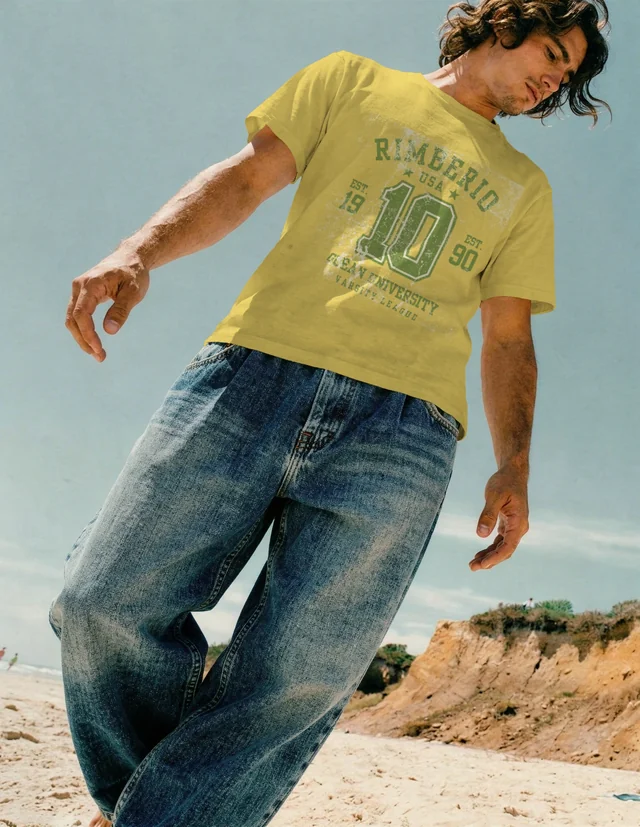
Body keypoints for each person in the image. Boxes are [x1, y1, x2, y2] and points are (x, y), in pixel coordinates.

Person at [48, 2, 610, 825]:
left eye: (566, 77)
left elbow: (508, 338)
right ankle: (146, 804)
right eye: (553, 52)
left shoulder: (526, 186)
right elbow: (246, 178)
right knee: (104, 600)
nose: (554, 80)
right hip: (252, 374)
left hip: (403, 433)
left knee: (296, 677)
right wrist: (140, 249)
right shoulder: (352, 80)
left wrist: (514, 462)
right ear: (502, 22)